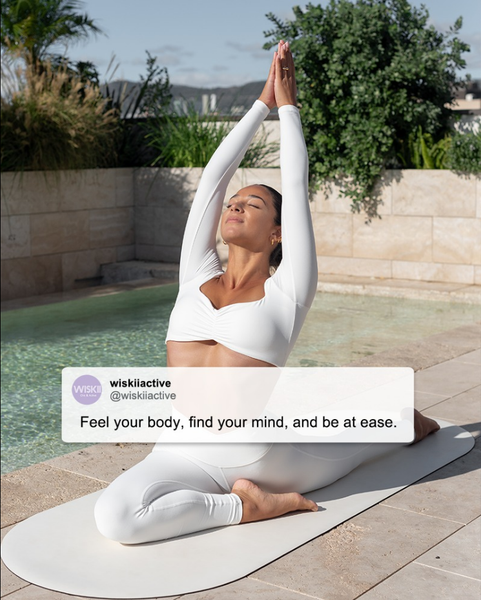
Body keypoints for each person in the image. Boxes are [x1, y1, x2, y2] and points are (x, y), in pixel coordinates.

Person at [94, 42, 439, 544]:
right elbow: (213, 177)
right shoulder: (194, 276)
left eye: (251, 203)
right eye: (233, 202)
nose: (233, 205)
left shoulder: (288, 292)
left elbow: (295, 186)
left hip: (262, 456)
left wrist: (289, 107)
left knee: (376, 434)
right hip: (179, 448)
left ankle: (395, 421)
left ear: (277, 234)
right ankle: (244, 505)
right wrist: (260, 104)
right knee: (116, 519)